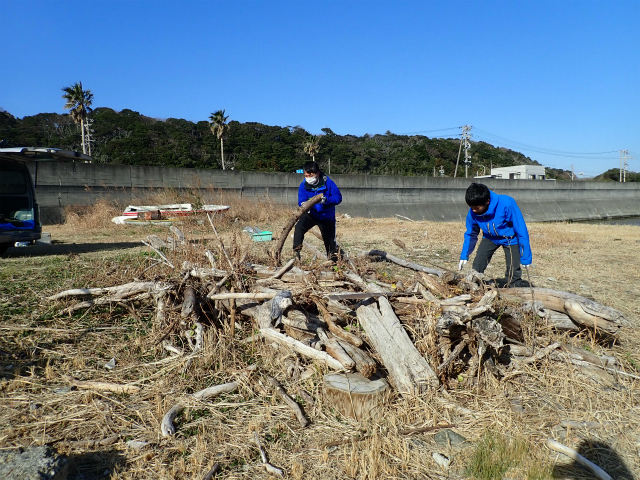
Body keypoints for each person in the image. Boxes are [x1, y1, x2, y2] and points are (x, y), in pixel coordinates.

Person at [458, 183, 532, 287]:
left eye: (477, 208)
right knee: (478, 264)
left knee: (513, 270)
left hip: (510, 239)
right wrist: (464, 255)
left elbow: (521, 229)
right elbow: (471, 233)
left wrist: (525, 257)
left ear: (487, 201)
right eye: (471, 207)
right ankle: (474, 285)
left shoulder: (506, 203)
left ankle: (514, 289)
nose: (474, 210)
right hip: (489, 238)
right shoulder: (473, 212)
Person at [293, 161, 343, 262]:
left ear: (317, 173)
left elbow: (338, 198)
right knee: (299, 228)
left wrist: (326, 200)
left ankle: (333, 261)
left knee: (330, 241)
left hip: (326, 216)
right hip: (311, 214)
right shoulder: (303, 185)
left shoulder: (328, 183)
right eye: (306, 175)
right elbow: (301, 200)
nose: (308, 178)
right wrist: (304, 205)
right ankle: (296, 253)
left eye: (310, 175)